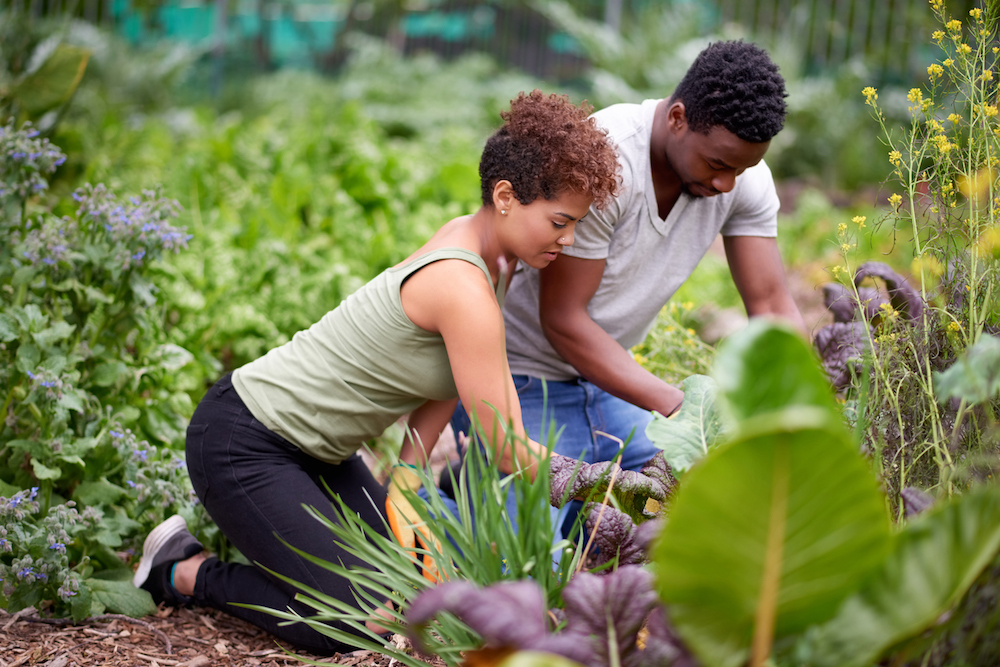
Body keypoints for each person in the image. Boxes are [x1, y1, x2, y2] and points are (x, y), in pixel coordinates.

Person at [129, 90, 666, 655]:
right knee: (355, 622)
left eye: (577, 223)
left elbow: (446, 377)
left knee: (410, 591)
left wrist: (407, 480)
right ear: (506, 197)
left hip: (318, 455)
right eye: (560, 221)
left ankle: (281, 543)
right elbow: (508, 449)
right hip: (244, 441)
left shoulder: (492, 257)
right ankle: (184, 570)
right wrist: (620, 489)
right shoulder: (464, 287)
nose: (571, 238)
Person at [454, 40, 806, 535]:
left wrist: (800, 403)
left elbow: (772, 305)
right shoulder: (603, 163)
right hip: (519, 381)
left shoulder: (740, 176)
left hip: (608, 384)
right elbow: (565, 321)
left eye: (742, 169)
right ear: (678, 118)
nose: (728, 183)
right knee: (525, 562)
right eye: (717, 164)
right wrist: (686, 409)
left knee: (685, 513)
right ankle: (452, 495)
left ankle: (482, 486)